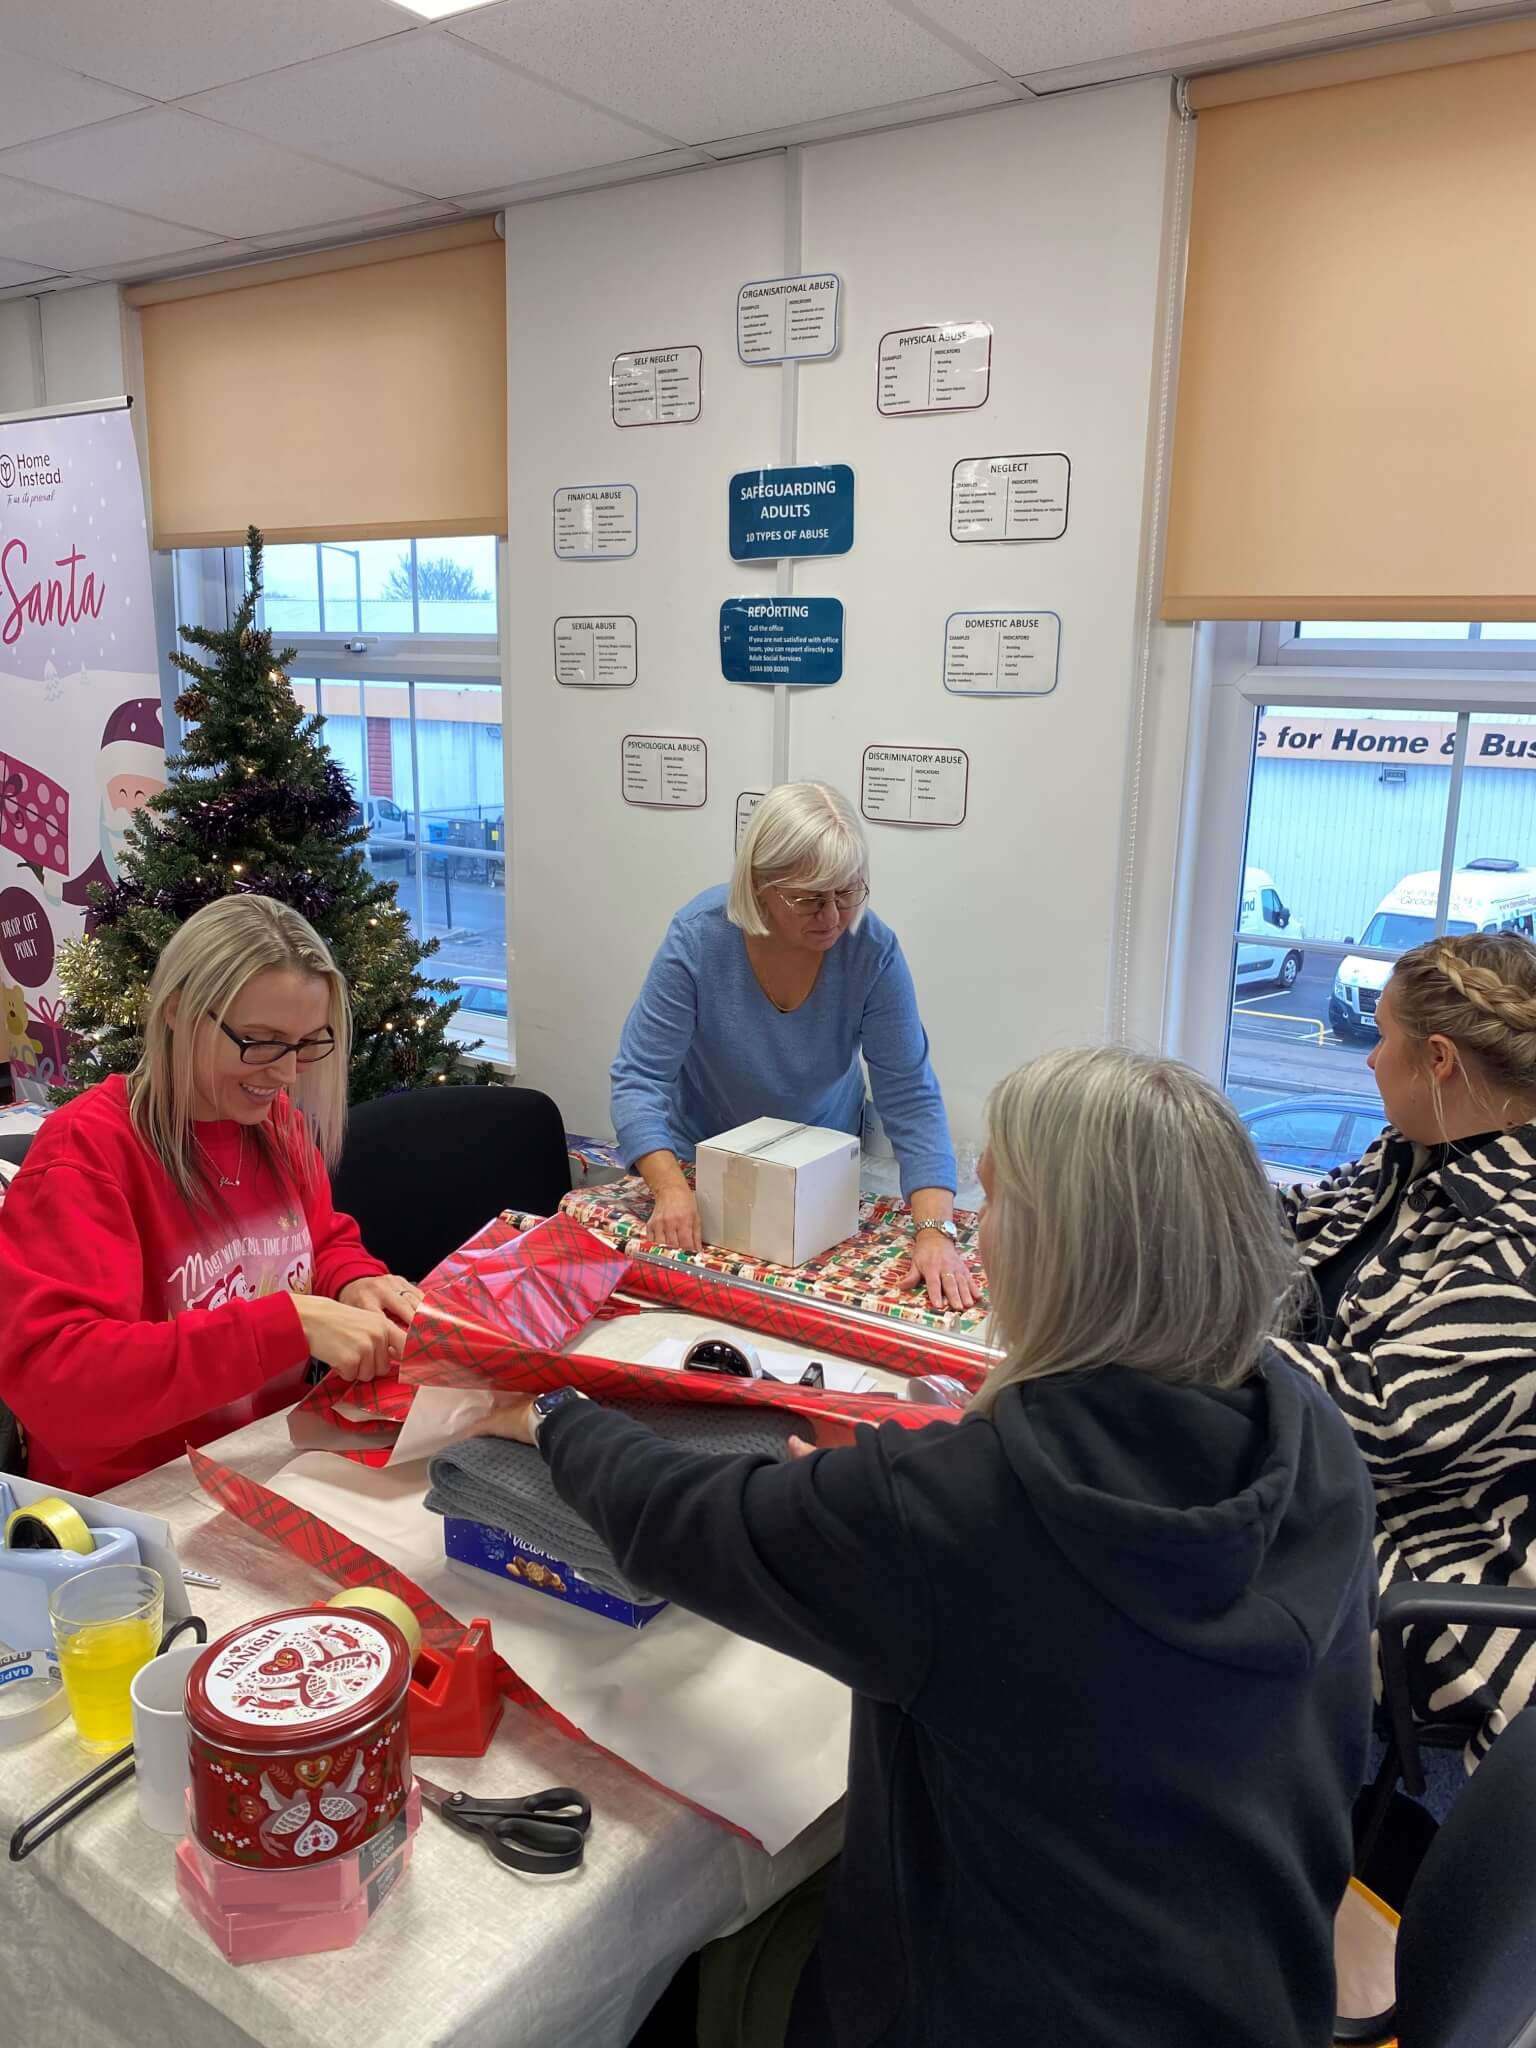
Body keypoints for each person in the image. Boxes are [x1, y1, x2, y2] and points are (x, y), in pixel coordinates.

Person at [484, 1048, 1375, 2047]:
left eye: (989, 1205)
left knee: (683, 1954)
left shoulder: (958, 1511)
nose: (976, 1240)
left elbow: (682, 1518)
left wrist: (558, 1412)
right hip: (1253, 1992)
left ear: (1060, 1251)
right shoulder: (1310, 1432)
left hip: (994, 2014)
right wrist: (919, 1484)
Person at [0, 895, 423, 1496]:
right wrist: (287, 1323)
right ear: (178, 1011)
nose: (285, 1074)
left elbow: (317, 1239)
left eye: (308, 1044)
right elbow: (59, 1385)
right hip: (137, 1499)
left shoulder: (272, 1121)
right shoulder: (86, 1155)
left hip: (266, 1457)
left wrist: (354, 1282)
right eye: (260, 1040)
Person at [1274, 929, 1536, 1769]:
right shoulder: (1415, 1152)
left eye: (1381, 1038)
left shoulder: (1518, 1237)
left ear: (1438, 1058)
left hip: (1442, 1570)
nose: (1368, 1061)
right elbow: (1301, 1222)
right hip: (1346, 1486)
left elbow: (1387, 1423)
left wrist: (1191, 1342)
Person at [610, 782, 973, 1310]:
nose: (831, 916)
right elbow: (639, 1077)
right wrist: (670, 1188)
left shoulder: (871, 951)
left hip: (819, 1165)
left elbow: (910, 1097)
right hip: (704, 1165)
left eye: (848, 893)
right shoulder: (699, 937)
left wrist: (936, 1231)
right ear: (759, 885)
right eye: (808, 898)